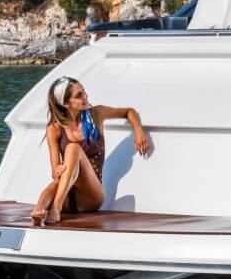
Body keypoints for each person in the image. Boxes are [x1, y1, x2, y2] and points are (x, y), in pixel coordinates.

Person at [31, 76, 149, 226]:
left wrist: (138, 130)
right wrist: (58, 169)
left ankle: (55, 207)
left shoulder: (96, 114)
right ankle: (38, 211)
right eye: (79, 95)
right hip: (67, 194)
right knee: (55, 183)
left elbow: (128, 111)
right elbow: (55, 173)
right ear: (66, 103)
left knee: (73, 148)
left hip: (91, 197)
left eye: (84, 91)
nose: (86, 96)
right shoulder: (54, 128)